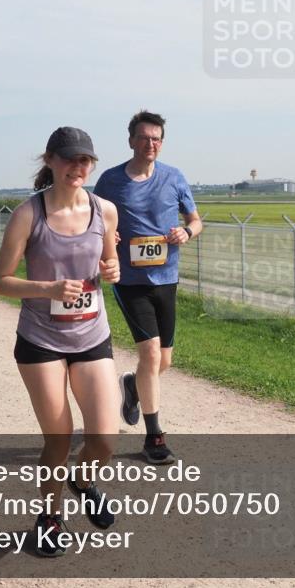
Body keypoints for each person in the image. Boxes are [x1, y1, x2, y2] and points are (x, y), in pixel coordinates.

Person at [0, 126, 122, 557]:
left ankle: (82, 481)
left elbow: (109, 263)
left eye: (85, 160)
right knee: (60, 437)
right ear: (49, 160)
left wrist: (112, 271)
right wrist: (48, 289)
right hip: (41, 339)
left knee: (104, 437)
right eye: (68, 158)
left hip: (91, 334)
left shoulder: (105, 211)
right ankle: (49, 516)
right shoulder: (28, 214)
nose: (77, 167)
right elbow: (0, 281)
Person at [94, 110, 202, 465]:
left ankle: (132, 386)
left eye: (156, 138)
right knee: (151, 355)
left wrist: (186, 232)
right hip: (130, 281)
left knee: (163, 361)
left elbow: (195, 220)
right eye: (143, 137)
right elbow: (95, 222)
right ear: (131, 141)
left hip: (166, 278)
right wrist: (108, 236)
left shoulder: (174, 177)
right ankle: (154, 437)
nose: (150, 144)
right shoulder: (110, 181)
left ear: (161, 143)